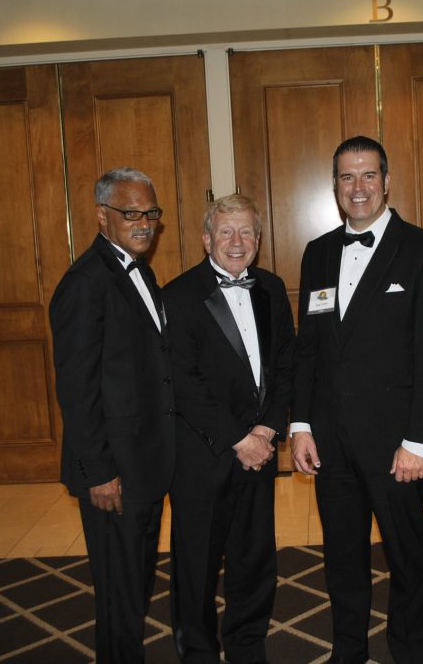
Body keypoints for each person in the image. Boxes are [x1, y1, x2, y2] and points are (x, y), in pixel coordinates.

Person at [291, 135, 423, 664]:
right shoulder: (317, 253)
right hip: (331, 443)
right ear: (335, 187)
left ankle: (410, 653)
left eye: (368, 175)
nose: (358, 187)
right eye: (347, 177)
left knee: (407, 560)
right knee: (342, 559)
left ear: (387, 182)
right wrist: (300, 424)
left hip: (397, 447)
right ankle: (349, 652)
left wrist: (418, 443)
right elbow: (308, 348)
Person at [49, 167, 174, 663]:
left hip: (142, 462)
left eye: (151, 213)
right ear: (102, 215)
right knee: (119, 595)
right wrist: (99, 471)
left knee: (135, 584)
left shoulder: (140, 271)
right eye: (131, 213)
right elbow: (76, 390)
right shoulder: (84, 283)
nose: (143, 223)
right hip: (112, 472)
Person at [164, 193, 295, 664]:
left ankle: (246, 644)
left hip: (258, 450)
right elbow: (183, 381)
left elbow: (285, 365)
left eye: (246, 232)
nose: (236, 242)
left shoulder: (273, 288)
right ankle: (197, 651)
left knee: (255, 559)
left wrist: (265, 431)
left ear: (258, 240)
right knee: (196, 563)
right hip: (205, 455)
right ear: (206, 239)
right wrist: (239, 438)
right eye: (226, 231)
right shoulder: (177, 296)